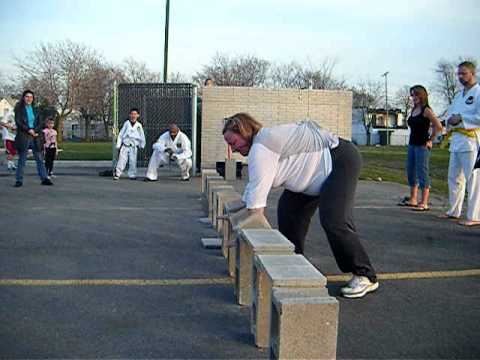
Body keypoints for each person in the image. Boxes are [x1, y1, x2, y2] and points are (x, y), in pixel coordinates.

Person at [223, 113, 378, 299]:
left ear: (245, 131)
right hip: (310, 179)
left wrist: (254, 243)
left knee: (334, 221)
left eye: (233, 142)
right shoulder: (262, 145)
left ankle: (365, 275)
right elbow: (250, 195)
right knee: (288, 212)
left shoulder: (261, 148)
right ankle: (293, 267)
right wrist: (230, 219)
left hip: (339, 161)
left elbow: (255, 211)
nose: (233, 149)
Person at [440, 61, 480, 227]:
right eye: (459, 74)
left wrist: (462, 119)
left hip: (472, 141)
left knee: (474, 178)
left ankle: (474, 215)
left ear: (472, 73)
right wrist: (449, 120)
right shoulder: (458, 95)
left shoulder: (478, 92)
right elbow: (450, 114)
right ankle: (453, 211)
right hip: (456, 141)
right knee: (454, 177)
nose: (460, 77)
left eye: (464, 73)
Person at [398, 85, 442, 211]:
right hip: (412, 144)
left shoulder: (426, 110)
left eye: (416, 94)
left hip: (422, 145)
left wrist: (430, 140)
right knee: (411, 171)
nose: (414, 97)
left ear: (422, 95)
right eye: (412, 95)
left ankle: (424, 202)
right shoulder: (413, 110)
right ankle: (413, 199)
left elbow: (438, 126)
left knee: (422, 172)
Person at [13, 90, 52, 187]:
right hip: (24, 136)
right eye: (27, 96)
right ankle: (19, 180)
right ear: (23, 98)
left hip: (35, 137)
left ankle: (44, 178)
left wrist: (34, 130)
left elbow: (41, 122)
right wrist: (28, 130)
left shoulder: (36, 109)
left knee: (39, 158)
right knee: (22, 159)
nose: (29, 99)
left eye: (31, 97)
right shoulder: (19, 109)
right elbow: (18, 122)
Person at [114, 108, 146, 180]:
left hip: (133, 146)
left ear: (138, 115)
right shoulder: (126, 123)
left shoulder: (139, 125)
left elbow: (142, 136)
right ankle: (117, 173)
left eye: (135, 114)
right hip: (125, 145)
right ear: (129, 115)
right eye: (132, 114)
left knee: (133, 161)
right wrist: (118, 144)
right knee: (122, 160)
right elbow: (121, 135)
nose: (133, 116)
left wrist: (142, 144)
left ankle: (132, 174)